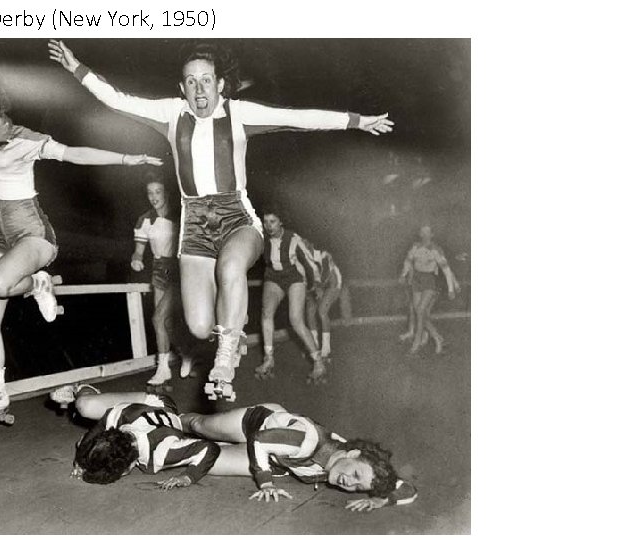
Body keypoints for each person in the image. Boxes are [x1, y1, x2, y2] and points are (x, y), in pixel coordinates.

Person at [48, 40, 394, 401]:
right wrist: (77, 68)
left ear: (220, 85)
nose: (199, 89)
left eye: (206, 80)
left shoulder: (239, 113)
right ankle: (232, 331)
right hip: (194, 224)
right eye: (191, 82)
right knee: (198, 327)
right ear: (182, 88)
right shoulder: (171, 114)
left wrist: (357, 121)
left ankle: (227, 356)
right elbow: (116, 99)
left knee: (231, 269)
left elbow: (299, 117)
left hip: (237, 218)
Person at [0, 49, 162, 431]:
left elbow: (74, 154)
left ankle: (40, 279)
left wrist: (127, 160)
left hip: (33, 235)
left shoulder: (26, 140)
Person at [179, 404, 418, 511]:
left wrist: (381, 499)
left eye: (358, 487)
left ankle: (156, 439)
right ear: (353, 454)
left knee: (200, 461)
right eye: (355, 474)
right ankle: (163, 415)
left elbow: (407, 488)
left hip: (276, 460)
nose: (350, 483)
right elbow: (261, 440)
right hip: (258, 425)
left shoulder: (365, 465)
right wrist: (265, 483)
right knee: (198, 424)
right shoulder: (309, 442)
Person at [50, 385, 221, 489]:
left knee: (85, 409)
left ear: (126, 471)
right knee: (86, 407)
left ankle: (83, 389)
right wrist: (82, 458)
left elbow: (210, 448)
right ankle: (84, 390)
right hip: (142, 412)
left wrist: (189, 476)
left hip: (158, 402)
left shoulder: (162, 452)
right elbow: (98, 429)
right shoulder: (118, 418)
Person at [130, 176, 194, 387]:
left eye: (158, 192)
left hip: (179, 270)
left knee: (158, 318)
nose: (154, 197)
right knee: (163, 322)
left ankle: (163, 367)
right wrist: (136, 260)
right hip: (158, 271)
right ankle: (182, 357)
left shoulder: (181, 217)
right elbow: (138, 252)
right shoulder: (144, 220)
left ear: (166, 193)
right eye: (150, 193)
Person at [255, 211, 325, 383]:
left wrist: (316, 283)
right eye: (265, 222)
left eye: (273, 221)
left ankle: (318, 362)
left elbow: (309, 262)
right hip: (273, 277)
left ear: (281, 222)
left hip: (294, 278)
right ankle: (268, 358)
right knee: (266, 314)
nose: (268, 226)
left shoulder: (293, 238)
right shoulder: (263, 238)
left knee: (296, 320)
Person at [398, 225, 461, 355]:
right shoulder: (415, 247)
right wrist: (403, 275)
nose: (425, 234)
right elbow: (408, 262)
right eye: (422, 232)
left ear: (432, 235)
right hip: (417, 280)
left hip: (430, 280)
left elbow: (447, 270)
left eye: (428, 232)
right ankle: (437, 338)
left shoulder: (436, 250)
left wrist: (451, 289)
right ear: (420, 234)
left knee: (421, 310)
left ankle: (416, 343)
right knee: (419, 313)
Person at [303, 243, 344, 362]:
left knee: (322, 311)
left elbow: (325, 275)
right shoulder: (301, 258)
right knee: (310, 312)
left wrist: (318, 288)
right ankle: (314, 347)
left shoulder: (323, 254)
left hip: (333, 284)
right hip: (317, 285)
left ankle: (326, 350)